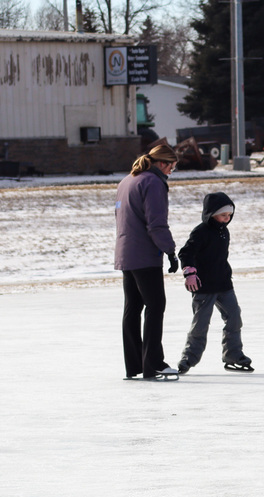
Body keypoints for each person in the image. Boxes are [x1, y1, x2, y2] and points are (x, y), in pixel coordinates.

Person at [114, 144, 181, 380]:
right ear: (162, 163)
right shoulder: (153, 183)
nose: (172, 171)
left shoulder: (127, 181)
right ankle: (153, 363)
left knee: (132, 308)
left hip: (126, 253)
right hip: (144, 255)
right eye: (173, 166)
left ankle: (134, 365)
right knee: (155, 306)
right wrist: (170, 251)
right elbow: (156, 223)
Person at [175, 192, 254, 374]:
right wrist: (189, 272)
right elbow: (186, 252)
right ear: (211, 214)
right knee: (200, 324)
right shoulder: (201, 231)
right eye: (223, 215)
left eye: (229, 216)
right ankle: (189, 358)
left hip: (224, 284)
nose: (227, 219)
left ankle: (233, 355)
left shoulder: (224, 231)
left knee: (234, 318)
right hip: (204, 286)